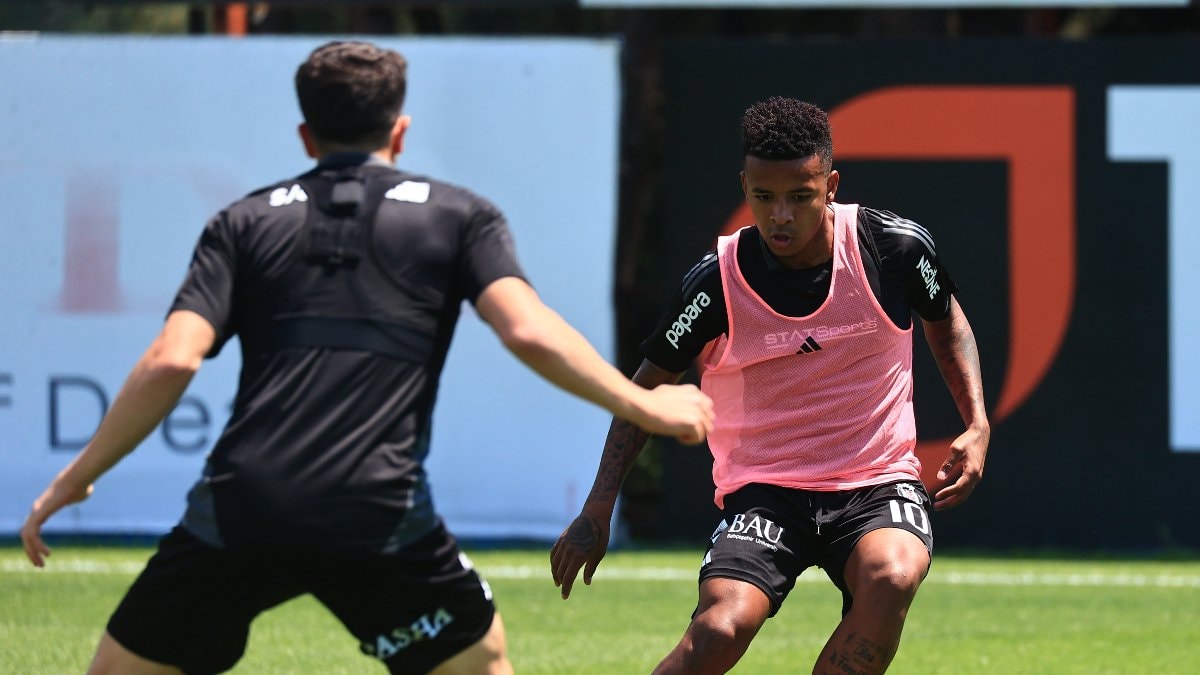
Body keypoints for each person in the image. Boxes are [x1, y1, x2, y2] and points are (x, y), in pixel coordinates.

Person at [20, 40, 714, 675]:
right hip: (377, 511)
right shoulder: (458, 215)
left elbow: (172, 361)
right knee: (480, 661)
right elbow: (527, 330)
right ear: (399, 131)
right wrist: (644, 403)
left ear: (306, 136)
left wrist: (74, 479)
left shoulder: (242, 222)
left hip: (243, 508)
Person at [551, 96, 990, 674]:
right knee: (720, 628)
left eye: (799, 197)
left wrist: (977, 424)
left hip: (876, 479)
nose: (780, 216)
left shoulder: (893, 249)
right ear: (745, 187)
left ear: (830, 186)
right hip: (765, 489)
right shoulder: (717, 283)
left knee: (892, 574)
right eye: (764, 197)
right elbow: (646, 388)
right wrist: (599, 504)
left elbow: (947, 322)